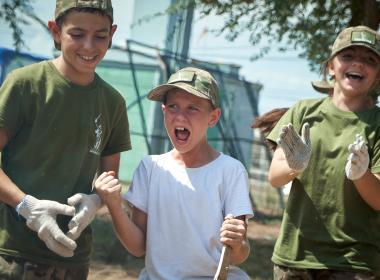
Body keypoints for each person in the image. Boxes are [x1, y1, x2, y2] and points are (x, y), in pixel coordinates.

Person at [0, 0, 131, 279]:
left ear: (113, 35)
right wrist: (28, 207)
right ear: (56, 32)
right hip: (11, 254)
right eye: (77, 34)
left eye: (100, 36)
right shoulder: (25, 84)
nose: (89, 46)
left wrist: (96, 201)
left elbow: (109, 179)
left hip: (72, 257)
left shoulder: (113, 103)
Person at [95, 67, 254, 279]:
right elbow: (138, 247)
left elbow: (238, 253)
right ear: (163, 111)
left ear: (213, 117)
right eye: (173, 107)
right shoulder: (150, 168)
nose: (180, 116)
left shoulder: (230, 171)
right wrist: (114, 205)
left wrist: (237, 243)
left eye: (192, 108)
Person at [266, 25, 380, 279]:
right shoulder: (303, 111)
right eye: (348, 56)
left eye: (369, 60)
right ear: (330, 66)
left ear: (378, 76)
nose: (358, 64)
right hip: (294, 256)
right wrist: (294, 165)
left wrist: (361, 174)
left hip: (355, 263)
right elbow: (274, 177)